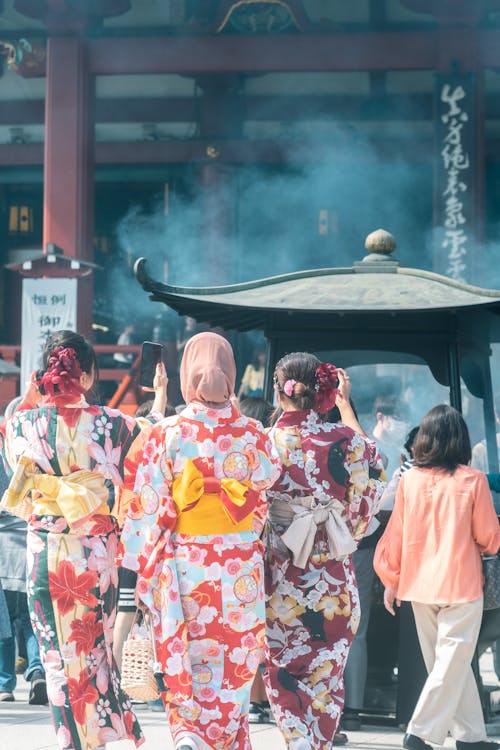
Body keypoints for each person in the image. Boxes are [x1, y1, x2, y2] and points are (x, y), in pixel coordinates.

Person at [0, 329, 166, 750]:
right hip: (96, 556)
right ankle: (96, 736)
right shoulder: (114, 426)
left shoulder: (17, 423)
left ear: (44, 375)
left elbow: (19, 477)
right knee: (95, 653)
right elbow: (152, 437)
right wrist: (160, 395)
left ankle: (72, 742)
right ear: (88, 375)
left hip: (46, 554)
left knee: (56, 659)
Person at [119, 331, 281, 750]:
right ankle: (225, 734)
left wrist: (138, 571)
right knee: (235, 654)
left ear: (186, 373)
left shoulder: (167, 432)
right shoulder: (254, 433)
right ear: (230, 373)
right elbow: (266, 485)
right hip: (238, 564)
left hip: (186, 563)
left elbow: (147, 504)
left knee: (185, 649)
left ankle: (188, 731)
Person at [264, 352, 386, 750]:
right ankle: (316, 743)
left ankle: (297, 739)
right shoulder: (347, 441)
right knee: (326, 678)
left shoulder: (263, 443)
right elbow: (374, 472)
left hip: (281, 580)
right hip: (333, 583)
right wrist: (345, 408)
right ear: (325, 392)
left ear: (279, 390)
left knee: (281, 668)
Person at [374, 404, 500, 750]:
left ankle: (470, 737)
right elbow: (489, 537)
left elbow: (396, 534)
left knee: (446, 666)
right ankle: (419, 732)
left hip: (418, 584)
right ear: (460, 439)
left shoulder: (410, 479)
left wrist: (391, 579)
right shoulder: (472, 480)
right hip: (461, 582)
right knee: (451, 664)